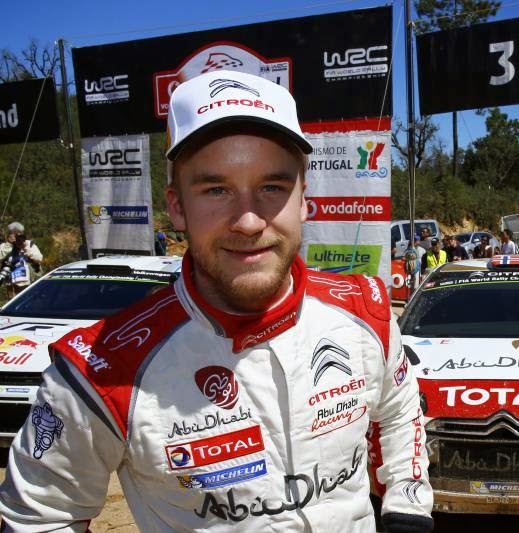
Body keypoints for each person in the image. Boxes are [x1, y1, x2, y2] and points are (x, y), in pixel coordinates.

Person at [0, 71, 433, 532]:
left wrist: (407, 507)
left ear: (303, 200)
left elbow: (399, 409)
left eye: (272, 187)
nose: (248, 221)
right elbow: (40, 518)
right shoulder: (99, 370)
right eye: (216, 190)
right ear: (177, 207)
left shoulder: (365, 309)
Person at [0, 221, 43, 297]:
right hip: (12, 285)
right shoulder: (5, 246)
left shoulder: (29, 244)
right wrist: (9, 244)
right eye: (14, 234)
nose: (17, 237)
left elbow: (39, 258)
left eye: (19, 234)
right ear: (9, 235)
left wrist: (25, 247)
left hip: (29, 283)